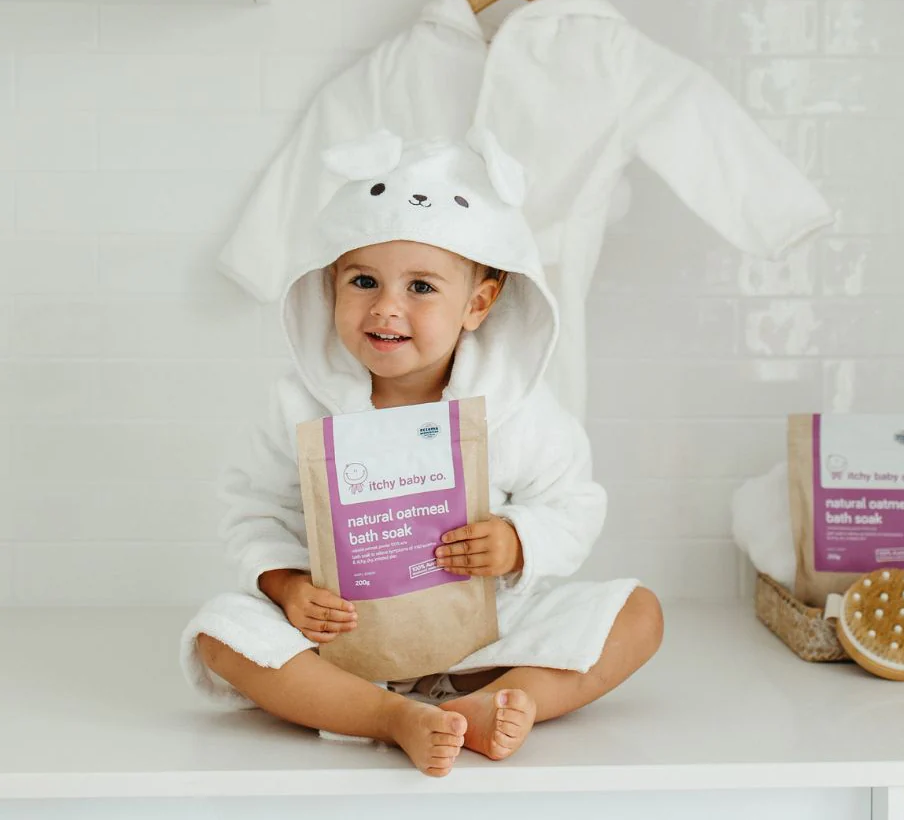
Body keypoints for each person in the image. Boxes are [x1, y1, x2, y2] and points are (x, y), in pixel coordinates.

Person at [180, 130, 664, 778]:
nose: (386, 308)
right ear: (329, 286)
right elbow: (253, 508)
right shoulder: (297, 403)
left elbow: (573, 502)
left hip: (487, 636)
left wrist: (517, 541)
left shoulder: (517, 408)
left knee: (638, 614)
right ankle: (388, 716)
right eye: (363, 281)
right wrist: (288, 587)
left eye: (421, 287)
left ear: (478, 304)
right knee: (220, 633)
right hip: (340, 642)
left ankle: (497, 700)